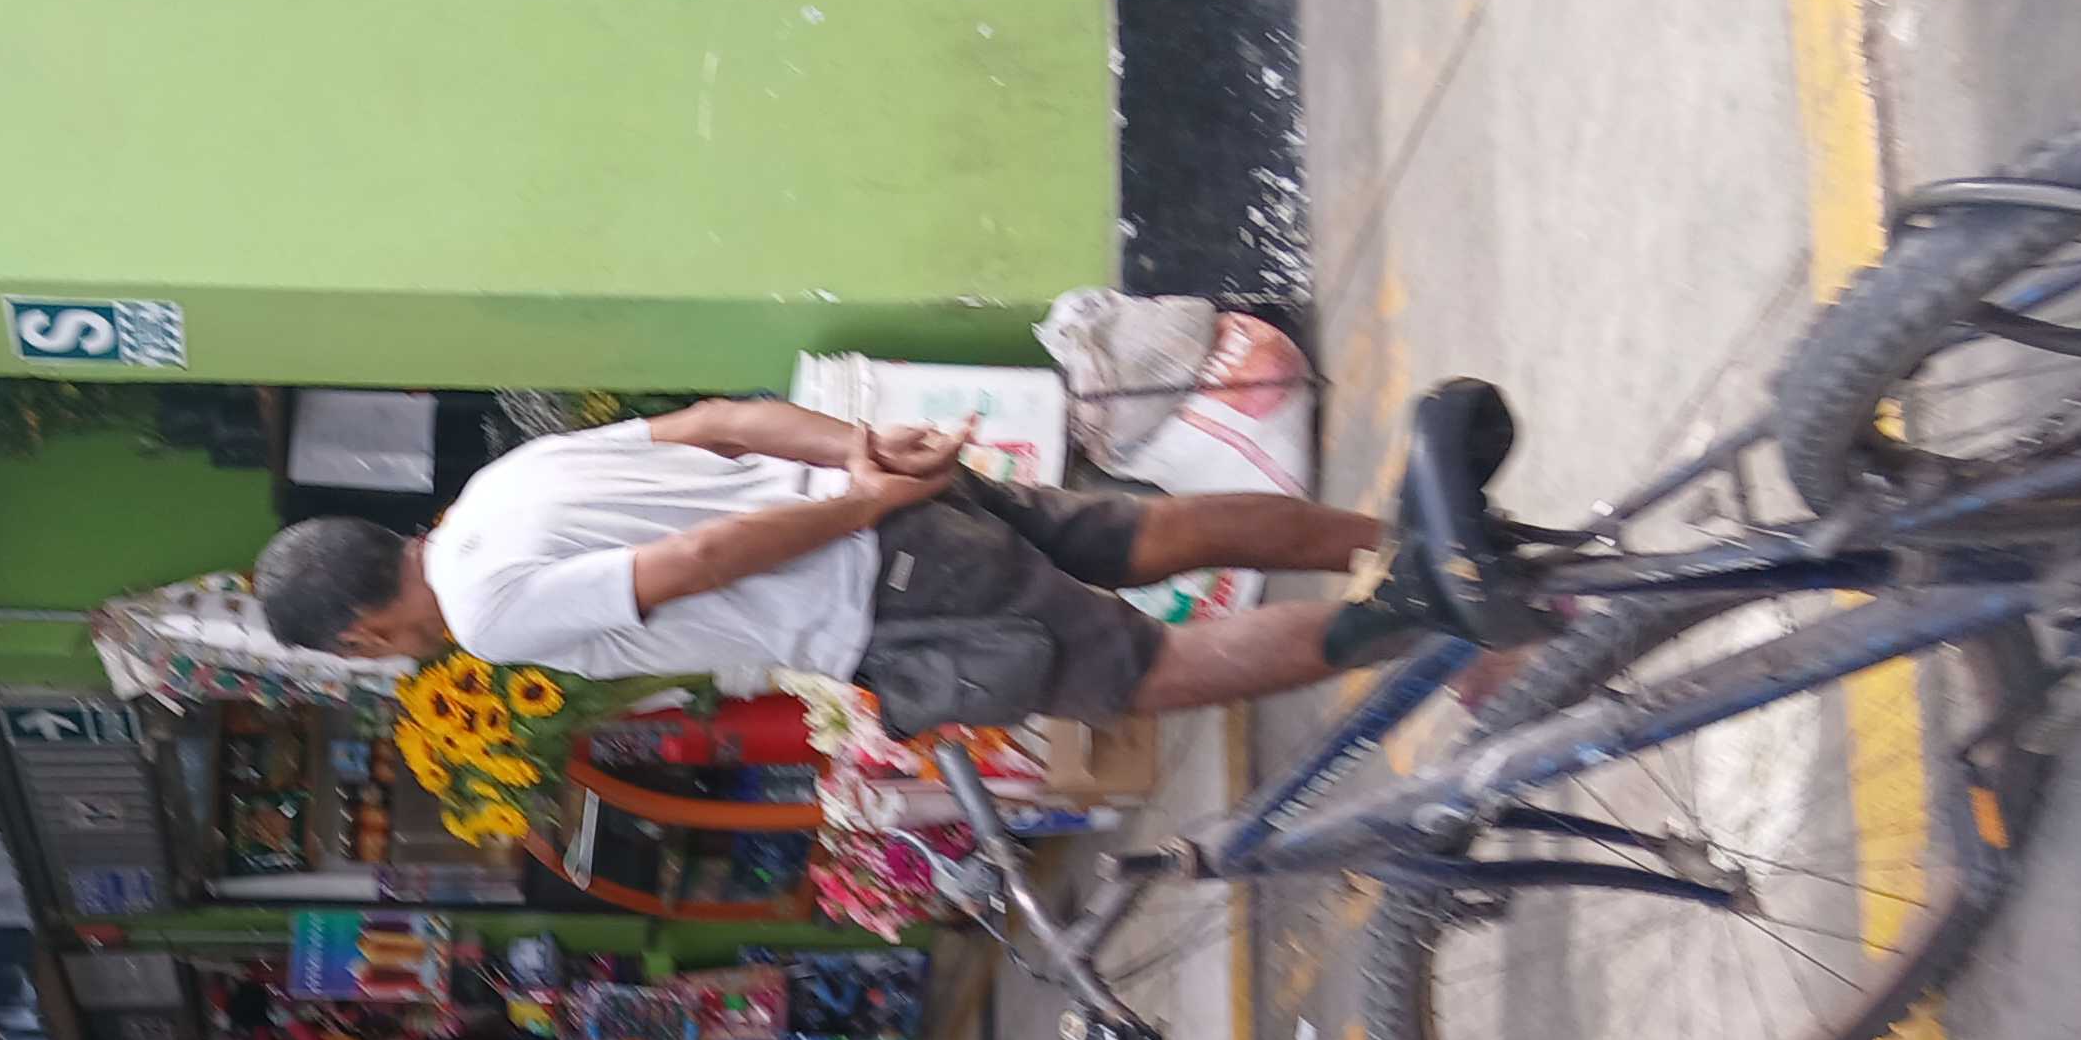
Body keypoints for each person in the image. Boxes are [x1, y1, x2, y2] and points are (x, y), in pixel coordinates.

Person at [251, 397, 1413, 729]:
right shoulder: (506, 482)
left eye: (362, 657)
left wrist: (860, 502)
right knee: (1143, 534)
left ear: (359, 635)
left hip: (881, 586)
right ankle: (1397, 545)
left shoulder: (485, 611)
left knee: (1147, 671)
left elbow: (699, 560)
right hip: (884, 509)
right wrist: (856, 454)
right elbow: (722, 422)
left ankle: (1427, 608)